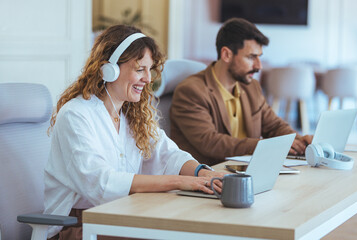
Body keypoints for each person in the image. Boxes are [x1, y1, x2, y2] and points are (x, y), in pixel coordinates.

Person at [44, 25, 224, 240]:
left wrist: (203, 174)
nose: (148, 79)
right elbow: (101, 184)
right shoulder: (76, 115)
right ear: (109, 69)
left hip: (123, 213)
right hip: (79, 226)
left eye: (149, 70)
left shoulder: (132, 114)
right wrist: (179, 182)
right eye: (140, 69)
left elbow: (169, 154)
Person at [170, 18, 313, 166]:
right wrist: (267, 146)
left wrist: (298, 141)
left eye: (259, 57)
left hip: (248, 174)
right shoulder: (191, 91)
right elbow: (211, 142)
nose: (259, 66)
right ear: (226, 54)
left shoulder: (251, 87)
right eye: (251, 57)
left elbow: (274, 126)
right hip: (208, 178)